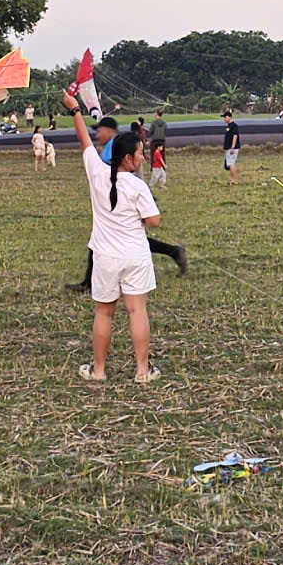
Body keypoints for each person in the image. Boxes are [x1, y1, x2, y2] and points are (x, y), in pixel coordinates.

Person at [67, 91, 161, 383]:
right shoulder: (137, 186)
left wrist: (74, 110)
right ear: (128, 158)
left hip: (105, 258)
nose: (142, 156)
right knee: (137, 311)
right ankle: (142, 371)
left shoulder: (97, 172)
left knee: (104, 314)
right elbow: (154, 221)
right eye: (140, 153)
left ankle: (98, 370)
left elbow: (84, 141)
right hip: (135, 257)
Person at [65, 116, 187, 292]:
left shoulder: (114, 147)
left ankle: (91, 282)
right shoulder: (115, 145)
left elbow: (108, 173)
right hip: (128, 197)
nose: (98, 135)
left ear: (109, 130)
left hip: (128, 197)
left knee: (114, 238)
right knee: (114, 237)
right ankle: (174, 252)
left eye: (99, 131)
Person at [220, 112, 240, 185]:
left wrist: (232, 147)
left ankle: (234, 180)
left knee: (231, 163)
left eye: (225, 117)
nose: (224, 119)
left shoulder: (234, 126)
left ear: (229, 117)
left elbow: (235, 136)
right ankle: (232, 179)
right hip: (228, 148)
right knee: (229, 164)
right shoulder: (229, 126)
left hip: (232, 148)